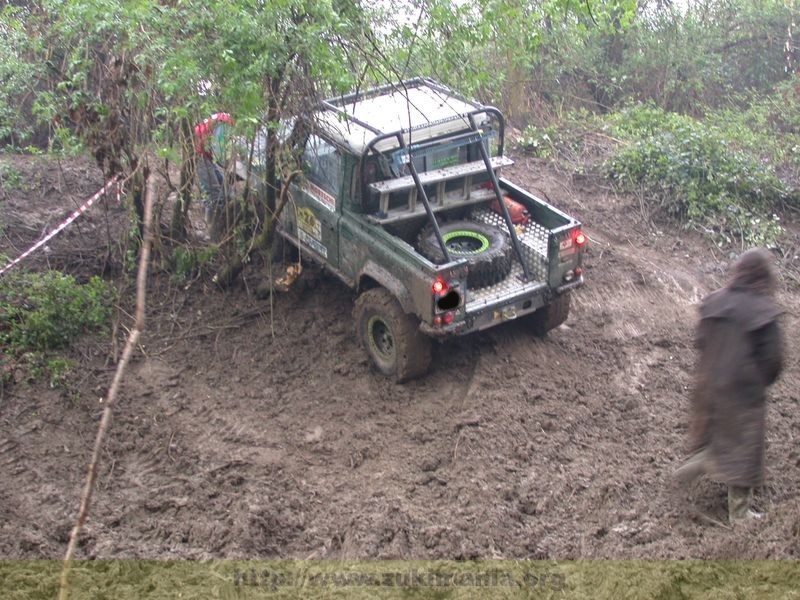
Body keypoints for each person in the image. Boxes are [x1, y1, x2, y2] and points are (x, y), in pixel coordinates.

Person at [675, 248, 784, 522]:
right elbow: (773, 360)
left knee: (716, 438)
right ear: (763, 277)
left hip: (708, 385)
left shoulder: (714, 302)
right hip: (742, 391)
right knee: (743, 448)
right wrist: (758, 381)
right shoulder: (764, 312)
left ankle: (682, 476)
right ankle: (740, 513)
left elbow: (700, 341)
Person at [194, 112, 235, 241]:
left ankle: (221, 227)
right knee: (213, 194)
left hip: (207, 156)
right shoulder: (222, 123)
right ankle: (210, 232)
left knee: (225, 191)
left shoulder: (221, 120)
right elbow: (219, 149)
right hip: (200, 156)